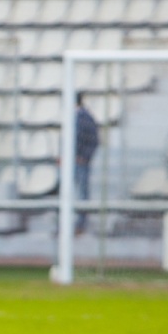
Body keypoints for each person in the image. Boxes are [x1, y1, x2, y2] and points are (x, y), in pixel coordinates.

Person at [75, 92, 99, 232]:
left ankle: (81, 223)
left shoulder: (86, 118)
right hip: (70, 162)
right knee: (69, 193)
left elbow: (94, 140)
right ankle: (67, 224)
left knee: (82, 193)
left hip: (80, 162)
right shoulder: (71, 117)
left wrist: (84, 157)